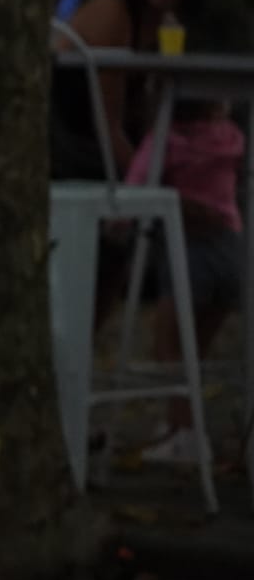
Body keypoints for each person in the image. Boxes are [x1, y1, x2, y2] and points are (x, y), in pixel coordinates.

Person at [121, 99, 244, 467]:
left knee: (169, 348)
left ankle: (187, 435)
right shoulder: (232, 138)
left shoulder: (163, 142)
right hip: (230, 245)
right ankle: (181, 426)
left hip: (186, 249)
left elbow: (135, 187)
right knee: (196, 350)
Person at [53, 0, 209, 181]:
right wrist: (156, 180)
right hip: (68, 150)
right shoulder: (114, 13)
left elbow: (149, 120)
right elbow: (108, 128)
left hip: (102, 151)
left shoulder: (166, 26)